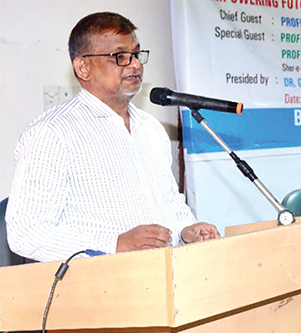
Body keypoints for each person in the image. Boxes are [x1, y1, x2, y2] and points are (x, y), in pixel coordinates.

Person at [6, 12, 219, 262]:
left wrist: (185, 229)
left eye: (136, 54)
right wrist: (114, 243)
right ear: (83, 67)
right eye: (120, 56)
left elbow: (169, 201)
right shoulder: (51, 133)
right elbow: (25, 232)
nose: (135, 65)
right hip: (100, 281)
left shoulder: (150, 128)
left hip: (165, 272)